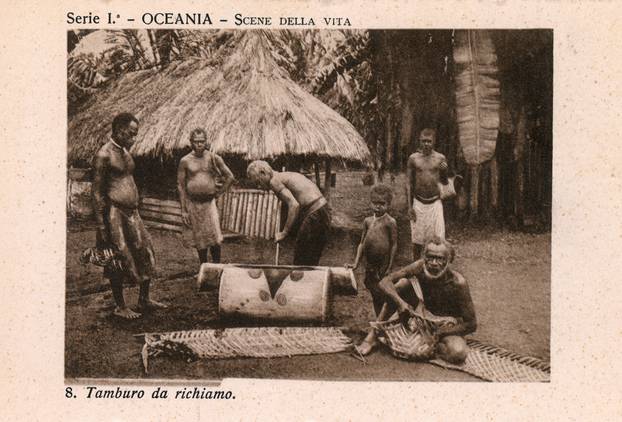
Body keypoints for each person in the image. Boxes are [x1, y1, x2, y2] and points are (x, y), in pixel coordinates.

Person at [92, 112, 166, 319]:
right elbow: (96, 192)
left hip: (132, 213)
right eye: (130, 133)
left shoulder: (125, 151)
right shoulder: (103, 155)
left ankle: (144, 299)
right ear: (118, 130)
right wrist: (101, 225)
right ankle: (120, 306)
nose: (133, 138)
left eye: (135, 134)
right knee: (118, 257)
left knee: (145, 251)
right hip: (114, 214)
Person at [356, 238, 476, 364]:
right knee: (401, 285)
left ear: (449, 260)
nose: (434, 263)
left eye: (440, 259)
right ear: (424, 257)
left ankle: (429, 344)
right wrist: (401, 303)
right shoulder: (419, 267)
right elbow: (385, 282)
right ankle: (372, 337)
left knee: (458, 353)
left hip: (445, 325)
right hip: (421, 317)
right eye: (430, 257)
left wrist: (439, 332)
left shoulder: (458, 283)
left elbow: (471, 324)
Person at [247, 160, 330, 266]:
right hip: (324, 209)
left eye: (258, 182)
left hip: (315, 213)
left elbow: (294, 205)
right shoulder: (283, 176)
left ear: (263, 172)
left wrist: (284, 233)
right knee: (311, 259)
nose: (259, 186)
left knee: (300, 260)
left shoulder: (274, 181)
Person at [177, 128, 235, 264]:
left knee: (214, 238)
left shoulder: (213, 158)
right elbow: (180, 185)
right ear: (191, 142)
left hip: (209, 204)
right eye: (196, 142)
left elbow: (230, 176)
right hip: (193, 204)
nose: (199, 145)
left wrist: (219, 193)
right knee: (200, 239)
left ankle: (216, 267)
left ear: (206, 142)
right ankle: (203, 267)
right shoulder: (185, 161)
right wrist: (184, 210)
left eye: (202, 141)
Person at [347, 184, 398, 316]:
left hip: (383, 265)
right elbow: (362, 243)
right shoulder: (367, 221)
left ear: (388, 204)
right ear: (371, 202)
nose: (378, 206)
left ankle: (385, 320)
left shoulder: (390, 222)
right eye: (375, 203)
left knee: (383, 293)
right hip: (370, 265)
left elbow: (393, 244)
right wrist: (356, 263)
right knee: (374, 292)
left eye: (382, 203)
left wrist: (389, 266)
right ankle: (379, 320)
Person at [407, 128, 450, 261]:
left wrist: (444, 171)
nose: (426, 144)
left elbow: (444, 182)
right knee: (417, 240)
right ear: (419, 141)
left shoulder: (440, 158)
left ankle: (438, 267)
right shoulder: (413, 158)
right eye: (423, 141)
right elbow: (409, 183)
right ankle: (415, 268)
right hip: (418, 203)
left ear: (434, 142)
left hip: (435, 204)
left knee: (438, 239)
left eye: (429, 141)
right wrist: (410, 207)